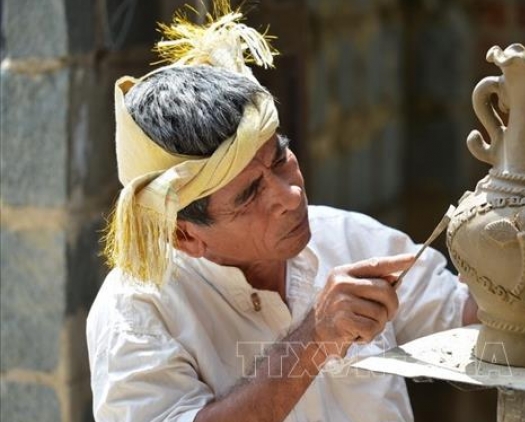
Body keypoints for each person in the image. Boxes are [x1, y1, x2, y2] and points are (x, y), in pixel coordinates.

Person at [86, 3, 478, 421]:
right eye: (250, 194)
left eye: (280, 158)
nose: (291, 195)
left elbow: (470, 316)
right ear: (186, 237)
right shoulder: (136, 312)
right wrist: (313, 339)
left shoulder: (349, 239)